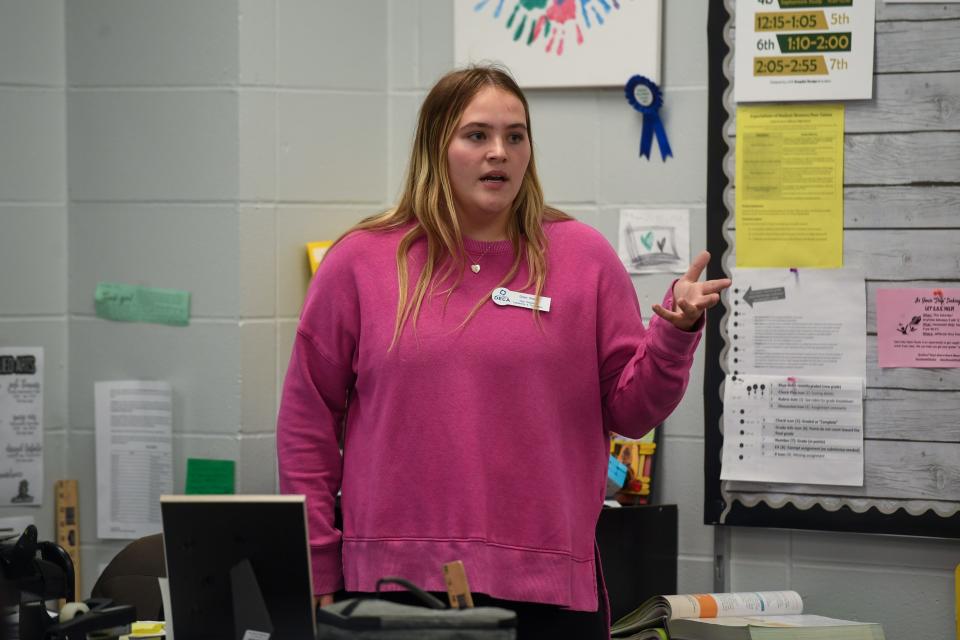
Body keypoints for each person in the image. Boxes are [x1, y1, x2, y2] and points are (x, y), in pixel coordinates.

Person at [277, 64, 730, 639]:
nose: (500, 153)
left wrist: (674, 332)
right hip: (395, 586)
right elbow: (306, 424)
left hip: (547, 586)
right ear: (435, 147)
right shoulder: (362, 261)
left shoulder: (582, 257)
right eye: (477, 135)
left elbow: (631, 412)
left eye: (515, 136)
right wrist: (315, 561)